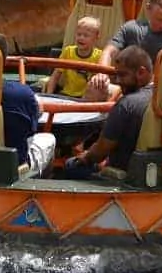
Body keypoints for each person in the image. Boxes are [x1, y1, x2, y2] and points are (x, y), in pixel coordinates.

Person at [65, 45, 153, 178]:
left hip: (123, 173)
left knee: (71, 165)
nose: (118, 81)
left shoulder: (125, 105)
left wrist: (86, 156)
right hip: (151, 169)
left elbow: (100, 152)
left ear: (141, 72)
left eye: (123, 75)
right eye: (116, 76)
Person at [87, 0, 162, 94]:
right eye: (159, 19)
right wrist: (102, 73)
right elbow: (109, 51)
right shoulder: (131, 28)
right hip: (129, 88)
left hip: (161, 92)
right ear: (148, 9)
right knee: (95, 86)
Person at [0, 31, 56, 175]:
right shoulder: (22, 94)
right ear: (4, 59)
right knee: (48, 138)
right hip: (12, 169)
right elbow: (30, 130)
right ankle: (44, 182)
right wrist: (36, 105)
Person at [45, 16, 105, 100]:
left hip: (85, 98)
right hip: (66, 94)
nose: (81, 38)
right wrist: (48, 96)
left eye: (86, 35)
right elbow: (55, 76)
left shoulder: (99, 56)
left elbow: (97, 82)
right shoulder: (68, 52)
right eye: (79, 34)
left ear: (96, 37)